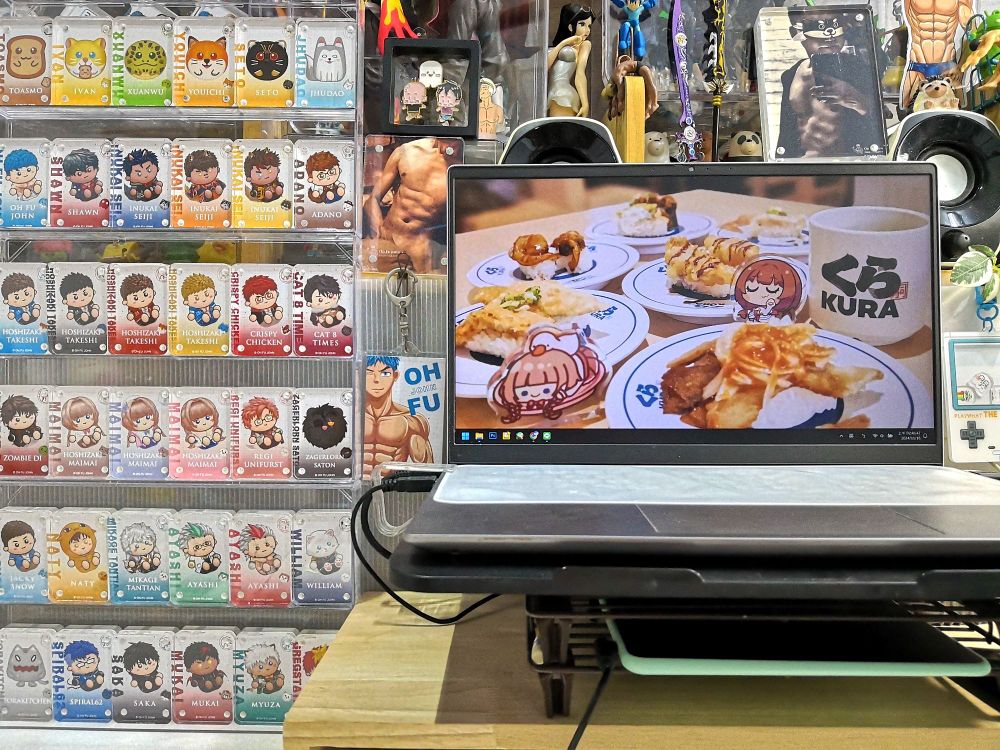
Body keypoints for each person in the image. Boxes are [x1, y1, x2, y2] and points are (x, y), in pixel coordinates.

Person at [776, 11, 883, 158]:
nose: (829, 35)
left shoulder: (859, 69)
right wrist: (780, 163)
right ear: (796, 33)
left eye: (836, 24)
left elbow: (878, 121)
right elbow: (787, 131)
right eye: (816, 26)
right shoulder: (791, 74)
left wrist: (856, 98)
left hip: (846, 162)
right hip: (802, 164)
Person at [362, 138, 451, 274]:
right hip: (388, 239)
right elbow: (373, 199)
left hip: (420, 250)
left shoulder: (463, 166)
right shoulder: (407, 151)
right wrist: (377, 232)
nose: (450, 145)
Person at [363, 355, 432, 477]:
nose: (376, 380)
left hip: (392, 487)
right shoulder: (349, 416)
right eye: (369, 373)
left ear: (395, 376)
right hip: (351, 486)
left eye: (385, 374)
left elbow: (428, 473)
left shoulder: (412, 421)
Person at [547, 4, 595, 118]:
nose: (587, 30)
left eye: (589, 26)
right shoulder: (560, 46)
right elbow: (544, 68)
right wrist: (564, 43)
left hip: (564, 93)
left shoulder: (584, 45)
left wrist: (585, 104)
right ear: (570, 26)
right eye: (582, 24)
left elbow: (580, 74)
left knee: (560, 127)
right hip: (550, 92)